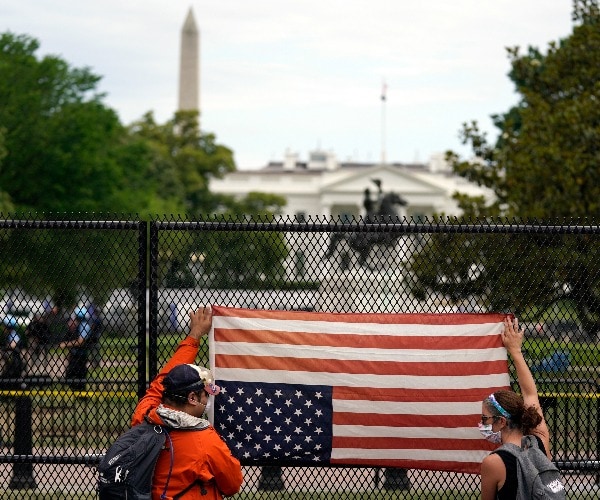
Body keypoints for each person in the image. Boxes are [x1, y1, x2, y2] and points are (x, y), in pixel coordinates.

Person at [131, 305, 243, 499]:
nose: (207, 399)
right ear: (192, 398)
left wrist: (194, 337)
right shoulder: (205, 440)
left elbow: (160, 383)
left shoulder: (145, 417)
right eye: (204, 394)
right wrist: (196, 334)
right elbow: (232, 484)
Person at [479, 316, 552, 500]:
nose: (481, 425)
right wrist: (515, 351)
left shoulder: (493, 463)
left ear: (501, 421)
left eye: (485, 419)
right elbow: (530, 395)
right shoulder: (540, 442)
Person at [58, 306, 92, 390]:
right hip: (75, 356)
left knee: (79, 377)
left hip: (80, 357)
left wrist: (66, 344)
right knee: (70, 375)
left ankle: (81, 395)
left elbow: (81, 341)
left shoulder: (85, 326)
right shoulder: (79, 326)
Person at [0, 315, 24, 380]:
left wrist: (4, 348)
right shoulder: (8, 335)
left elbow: (13, 345)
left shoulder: (13, 334)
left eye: (4, 325)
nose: (2, 327)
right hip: (10, 362)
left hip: (15, 363)